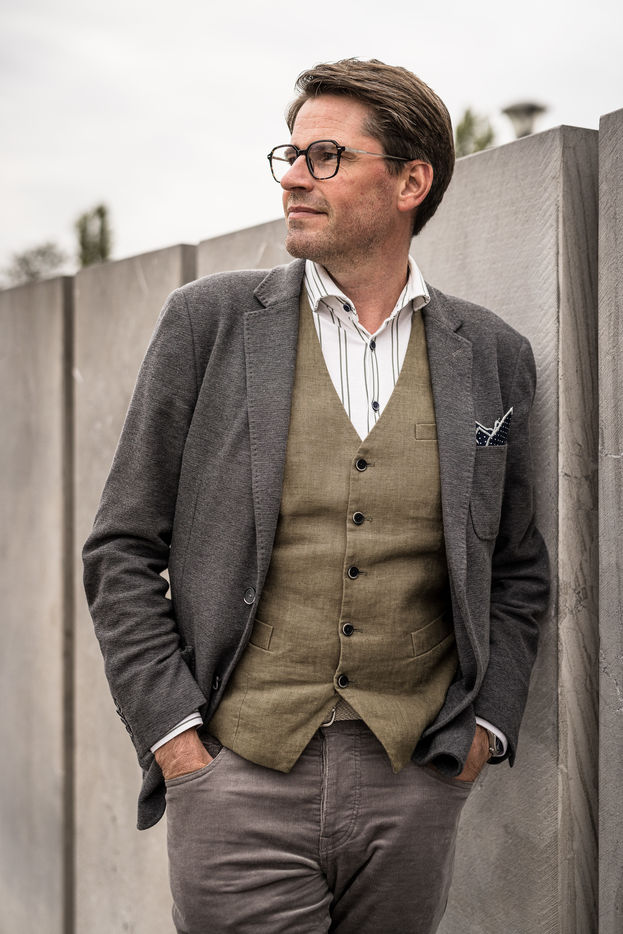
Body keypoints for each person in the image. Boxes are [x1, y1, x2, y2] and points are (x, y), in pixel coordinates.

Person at [83, 58, 550, 934]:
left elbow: (518, 567)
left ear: (410, 182)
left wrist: (481, 730)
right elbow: (122, 549)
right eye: (290, 155)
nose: (293, 177)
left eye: (326, 156)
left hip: (413, 784)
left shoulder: (491, 354)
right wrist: (176, 741)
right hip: (235, 777)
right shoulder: (208, 323)